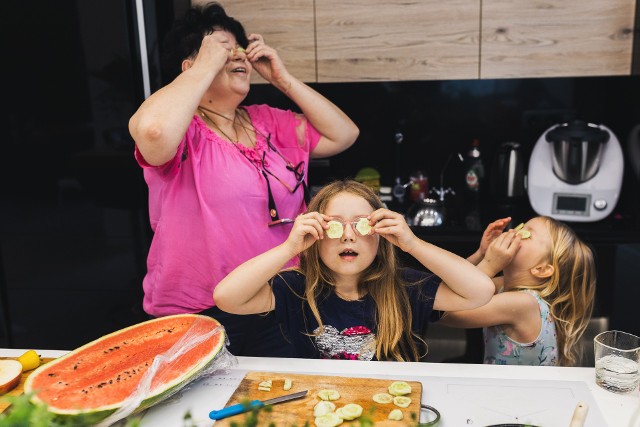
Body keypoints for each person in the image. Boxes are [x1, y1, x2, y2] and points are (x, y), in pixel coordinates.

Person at [128, 2, 359, 357]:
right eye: (221, 49)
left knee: (276, 402)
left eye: (239, 49)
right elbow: (154, 132)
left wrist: (282, 79)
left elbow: (344, 134)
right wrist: (203, 66)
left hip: (280, 297)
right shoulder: (183, 130)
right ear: (193, 66)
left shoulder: (268, 120)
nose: (238, 56)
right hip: (199, 311)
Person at [213, 180, 495, 361]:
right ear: (316, 236)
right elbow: (227, 298)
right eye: (335, 225)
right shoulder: (295, 288)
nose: (348, 236)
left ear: (380, 235)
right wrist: (289, 248)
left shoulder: (405, 288)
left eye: (361, 224)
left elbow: (480, 291)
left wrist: (414, 244)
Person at [439, 216, 596, 366]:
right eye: (521, 227)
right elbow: (450, 289)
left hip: (520, 392)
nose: (514, 232)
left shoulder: (524, 303)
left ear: (541, 269)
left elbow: (444, 311)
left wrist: (489, 264)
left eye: (527, 234)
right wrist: (481, 253)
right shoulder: (503, 285)